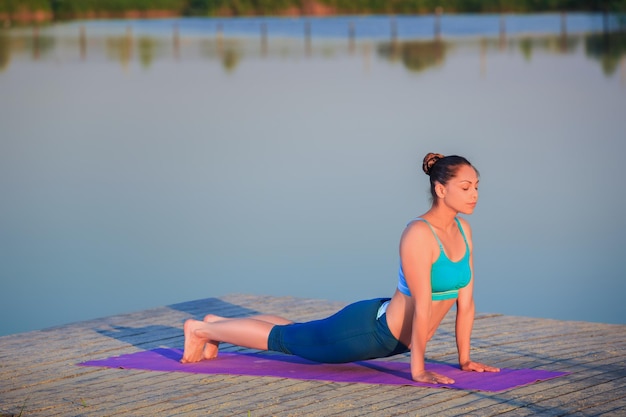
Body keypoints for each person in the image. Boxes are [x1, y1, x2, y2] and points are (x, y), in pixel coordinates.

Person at [181, 152, 500, 385]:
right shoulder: (418, 235)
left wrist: (465, 359)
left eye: (476, 187)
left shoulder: (463, 231)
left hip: (387, 333)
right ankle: (201, 329)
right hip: (372, 332)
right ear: (441, 190)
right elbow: (421, 307)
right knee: (287, 340)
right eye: (466, 187)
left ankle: (218, 322)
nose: (474, 195)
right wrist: (418, 369)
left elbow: (466, 305)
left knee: (299, 331)